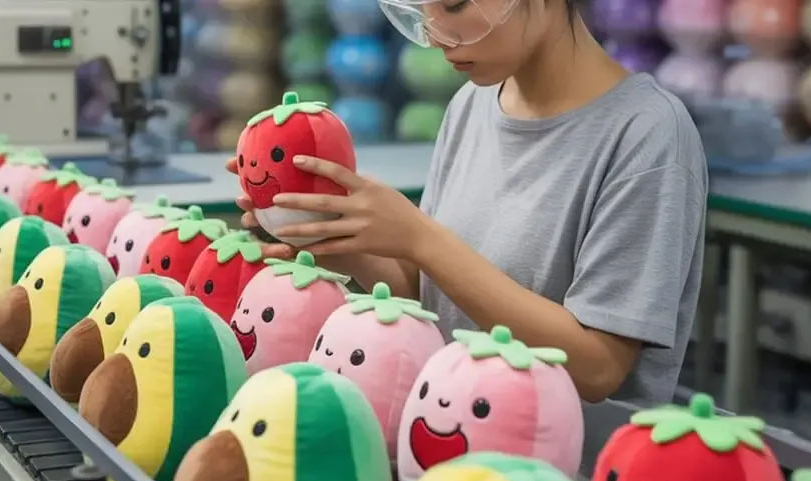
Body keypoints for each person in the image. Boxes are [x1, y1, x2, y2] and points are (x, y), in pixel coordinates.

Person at [227, 0, 707, 406]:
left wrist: (420, 238)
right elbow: (436, 296)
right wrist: (342, 240)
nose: (436, 35)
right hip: (450, 436)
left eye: (454, 3)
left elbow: (597, 369)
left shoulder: (646, 134)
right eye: (422, 7)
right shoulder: (470, 107)